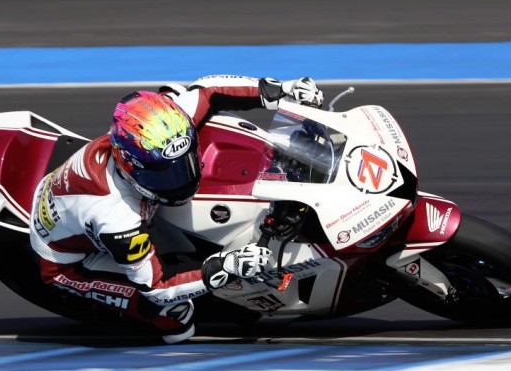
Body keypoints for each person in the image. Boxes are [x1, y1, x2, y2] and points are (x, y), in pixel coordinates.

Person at [29, 75, 324, 343]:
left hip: (84, 205)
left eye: (185, 164)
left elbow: (209, 91)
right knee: (174, 315)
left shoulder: (163, 125)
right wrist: (226, 266)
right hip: (71, 262)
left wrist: (279, 91)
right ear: (130, 167)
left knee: (191, 108)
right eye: (164, 175)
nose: (181, 180)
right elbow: (157, 287)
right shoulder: (116, 219)